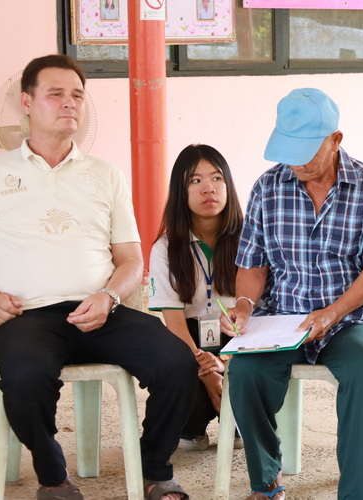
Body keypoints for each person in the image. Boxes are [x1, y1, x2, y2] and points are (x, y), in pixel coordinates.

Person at [0, 55, 195, 500]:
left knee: (177, 362)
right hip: (27, 317)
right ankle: (54, 478)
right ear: (26, 102)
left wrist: (109, 297)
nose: (69, 103)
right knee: (25, 377)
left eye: (77, 95)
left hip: (102, 311)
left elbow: (131, 261)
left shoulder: (105, 174)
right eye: (56, 94)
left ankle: (154, 469)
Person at [219, 88, 363, 500]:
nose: (296, 162)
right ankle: (266, 481)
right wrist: (244, 306)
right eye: (288, 151)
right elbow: (252, 264)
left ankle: (356, 493)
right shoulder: (267, 188)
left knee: (362, 370)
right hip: (282, 318)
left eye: (305, 151)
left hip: (349, 319)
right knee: (244, 374)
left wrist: (331, 313)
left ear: (335, 140)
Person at [148, 144, 244, 452]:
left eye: (216, 178)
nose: (208, 188)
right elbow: (174, 322)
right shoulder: (165, 248)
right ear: (181, 190)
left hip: (238, 337)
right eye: (195, 180)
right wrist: (207, 370)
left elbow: (261, 310)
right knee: (180, 374)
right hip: (189, 339)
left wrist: (225, 362)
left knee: (249, 376)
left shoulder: (249, 239)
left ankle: (241, 422)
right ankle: (191, 427)